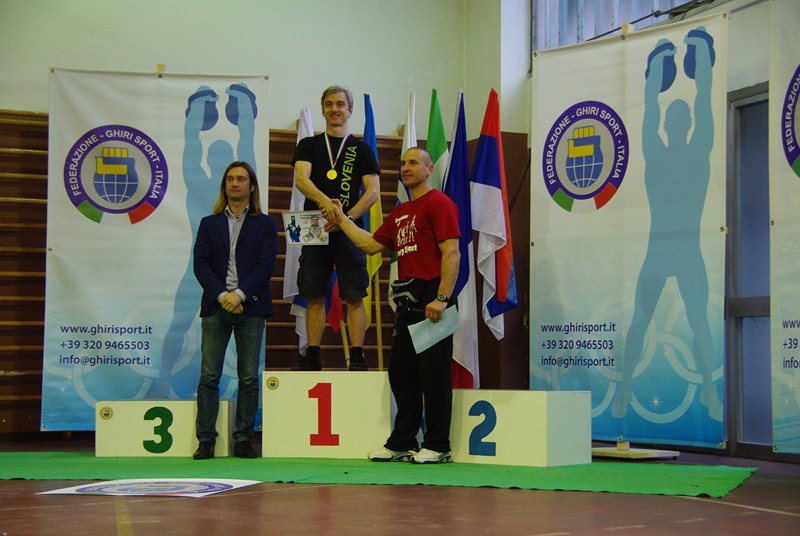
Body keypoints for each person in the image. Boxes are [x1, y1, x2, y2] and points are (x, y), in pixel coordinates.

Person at [612, 27, 722, 421]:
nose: (676, 119)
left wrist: (692, 51)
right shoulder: (661, 154)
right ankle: (625, 391)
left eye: (681, 115)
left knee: (699, 323)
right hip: (661, 251)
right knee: (640, 322)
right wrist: (665, 58)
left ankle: (709, 391)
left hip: (684, 250)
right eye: (673, 115)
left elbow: (703, 96)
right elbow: (652, 103)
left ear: (687, 123)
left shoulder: (692, 153)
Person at [325, 147, 460, 464]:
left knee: (434, 376)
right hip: (408, 300)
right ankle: (403, 442)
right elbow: (370, 244)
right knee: (401, 374)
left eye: (413, 162)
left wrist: (441, 297)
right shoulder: (400, 213)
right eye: (402, 163)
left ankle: (438, 445)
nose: (406, 167)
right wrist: (342, 219)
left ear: (429, 169)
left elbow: (452, 252)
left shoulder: (439, 203)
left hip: (433, 298)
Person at [290, 85, 380, 371]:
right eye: (329, 104)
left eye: (340, 104)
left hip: (349, 228)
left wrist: (344, 218)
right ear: (323, 109)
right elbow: (301, 180)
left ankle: (357, 357)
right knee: (313, 292)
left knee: (354, 295)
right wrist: (326, 204)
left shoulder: (361, 149)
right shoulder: (309, 145)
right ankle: (312, 356)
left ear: (349, 110)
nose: (334, 109)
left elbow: (373, 192)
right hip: (315, 225)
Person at [192, 161, 278, 460]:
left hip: (250, 307)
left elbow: (266, 265)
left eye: (241, 179)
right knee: (208, 376)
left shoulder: (265, 224)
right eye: (230, 179)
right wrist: (223, 296)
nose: (235, 183)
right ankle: (206, 440)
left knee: (249, 378)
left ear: (251, 186)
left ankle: (243, 438)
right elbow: (200, 264)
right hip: (216, 306)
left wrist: (239, 295)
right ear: (224, 185)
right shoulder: (209, 223)